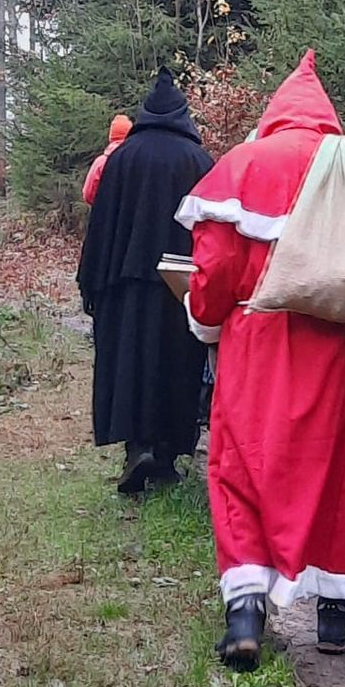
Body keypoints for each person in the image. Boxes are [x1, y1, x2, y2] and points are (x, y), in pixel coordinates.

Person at [176, 52, 345, 669]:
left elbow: (214, 266)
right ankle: (333, 617)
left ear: (274, 115)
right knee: (332, 470)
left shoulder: (244, 164)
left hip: (257, 340)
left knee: (240, 465)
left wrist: (206, 321)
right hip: (337, 344)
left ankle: (245, 612)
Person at [76, 70, 213, 494]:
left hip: (124, 285)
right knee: (177, 365)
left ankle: (137, 448)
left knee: (128, 363)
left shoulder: (122, 159)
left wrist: (90, 283)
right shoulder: (199, 161)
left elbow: (100, 226)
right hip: (180, 284)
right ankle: (167, 455)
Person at [82, 112, 133, 205]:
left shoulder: (101, 162)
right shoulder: (136, 161)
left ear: (111, 136)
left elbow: (88, 194)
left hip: (104, 210)